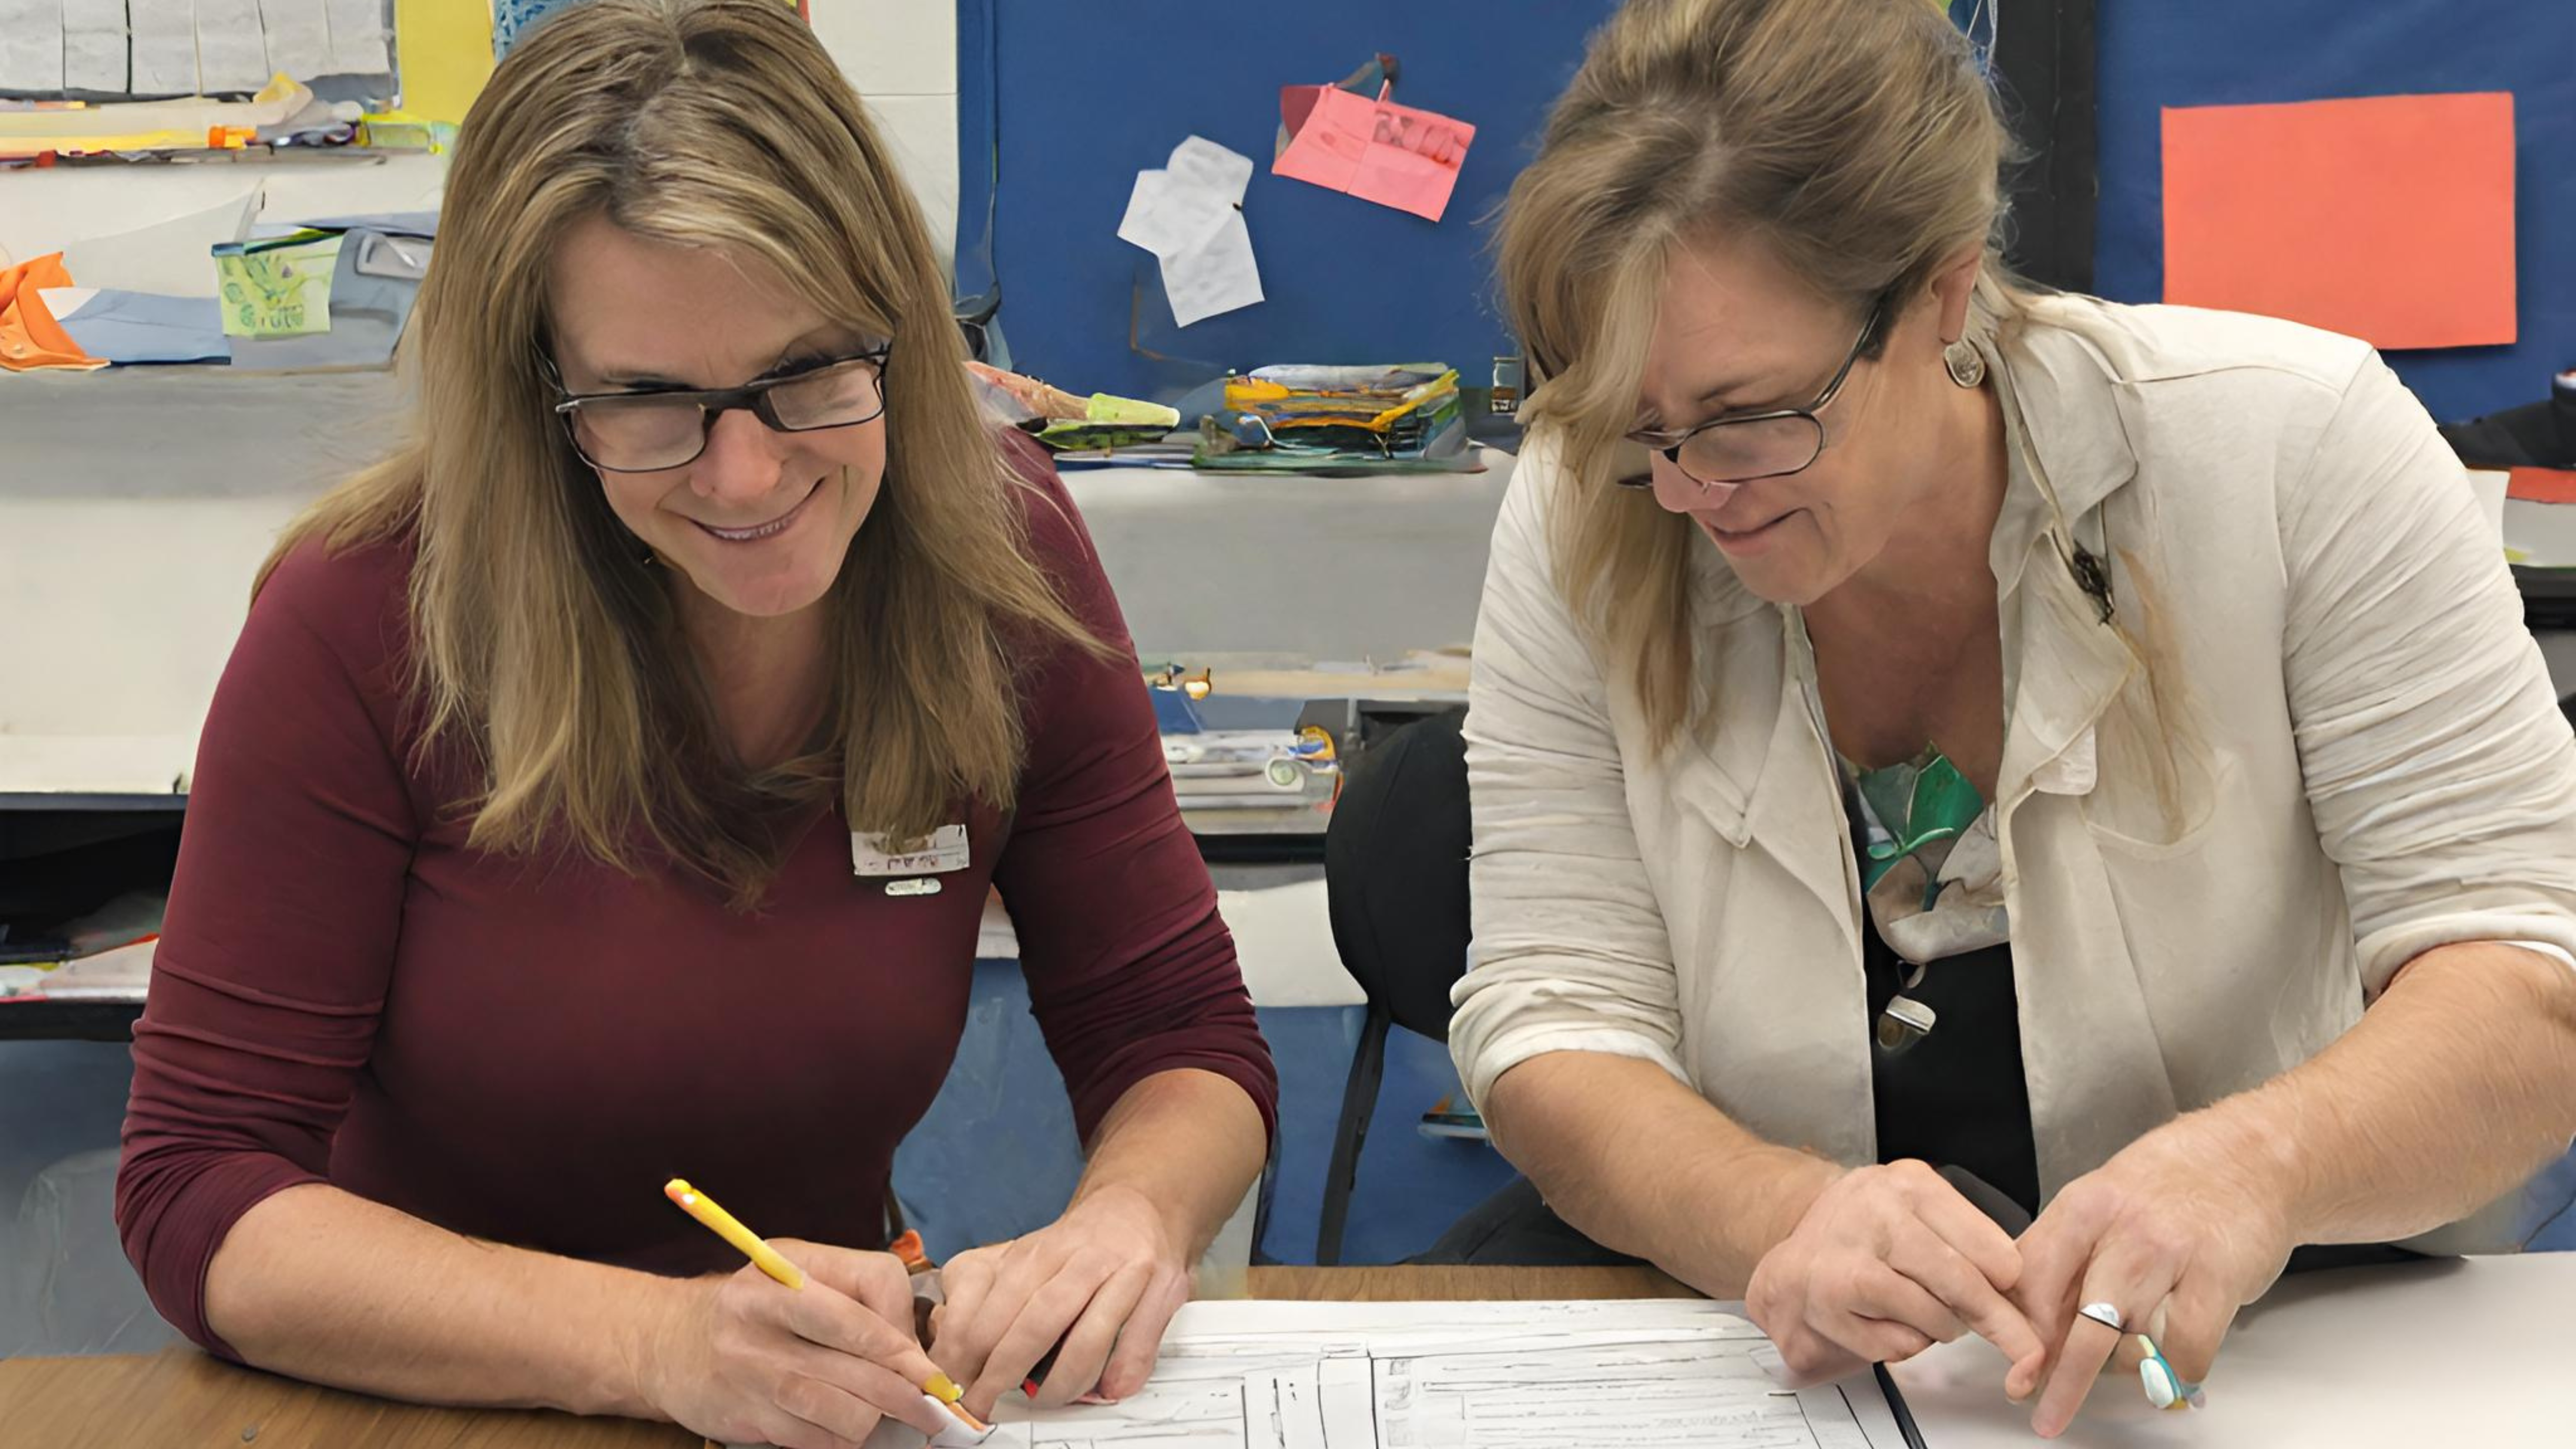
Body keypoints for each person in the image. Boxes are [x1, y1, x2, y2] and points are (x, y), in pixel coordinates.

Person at [113, 5, 1275, 1447]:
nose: (744, 472)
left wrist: (1130, 1217)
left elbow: (1181, 1035)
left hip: (823, 1397)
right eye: (649, 402)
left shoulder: (1002, 554)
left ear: (901, 337)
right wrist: (654, 1340)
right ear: (541, 397)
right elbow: (198, 1186)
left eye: (808, 374)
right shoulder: (362, 619)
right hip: (432, 1401)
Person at [1452, 0, 2576, 1437]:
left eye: (1752, 416)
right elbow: (1555, 1012)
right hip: (1801, 1353)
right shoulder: (1584, 512)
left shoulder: (2297, 447)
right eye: (1639, 427)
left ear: (1942, 291)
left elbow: (2528, 975)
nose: (1689, 492)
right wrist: (1776, 1213)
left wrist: (2256, 1163)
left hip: (2288, 1334)